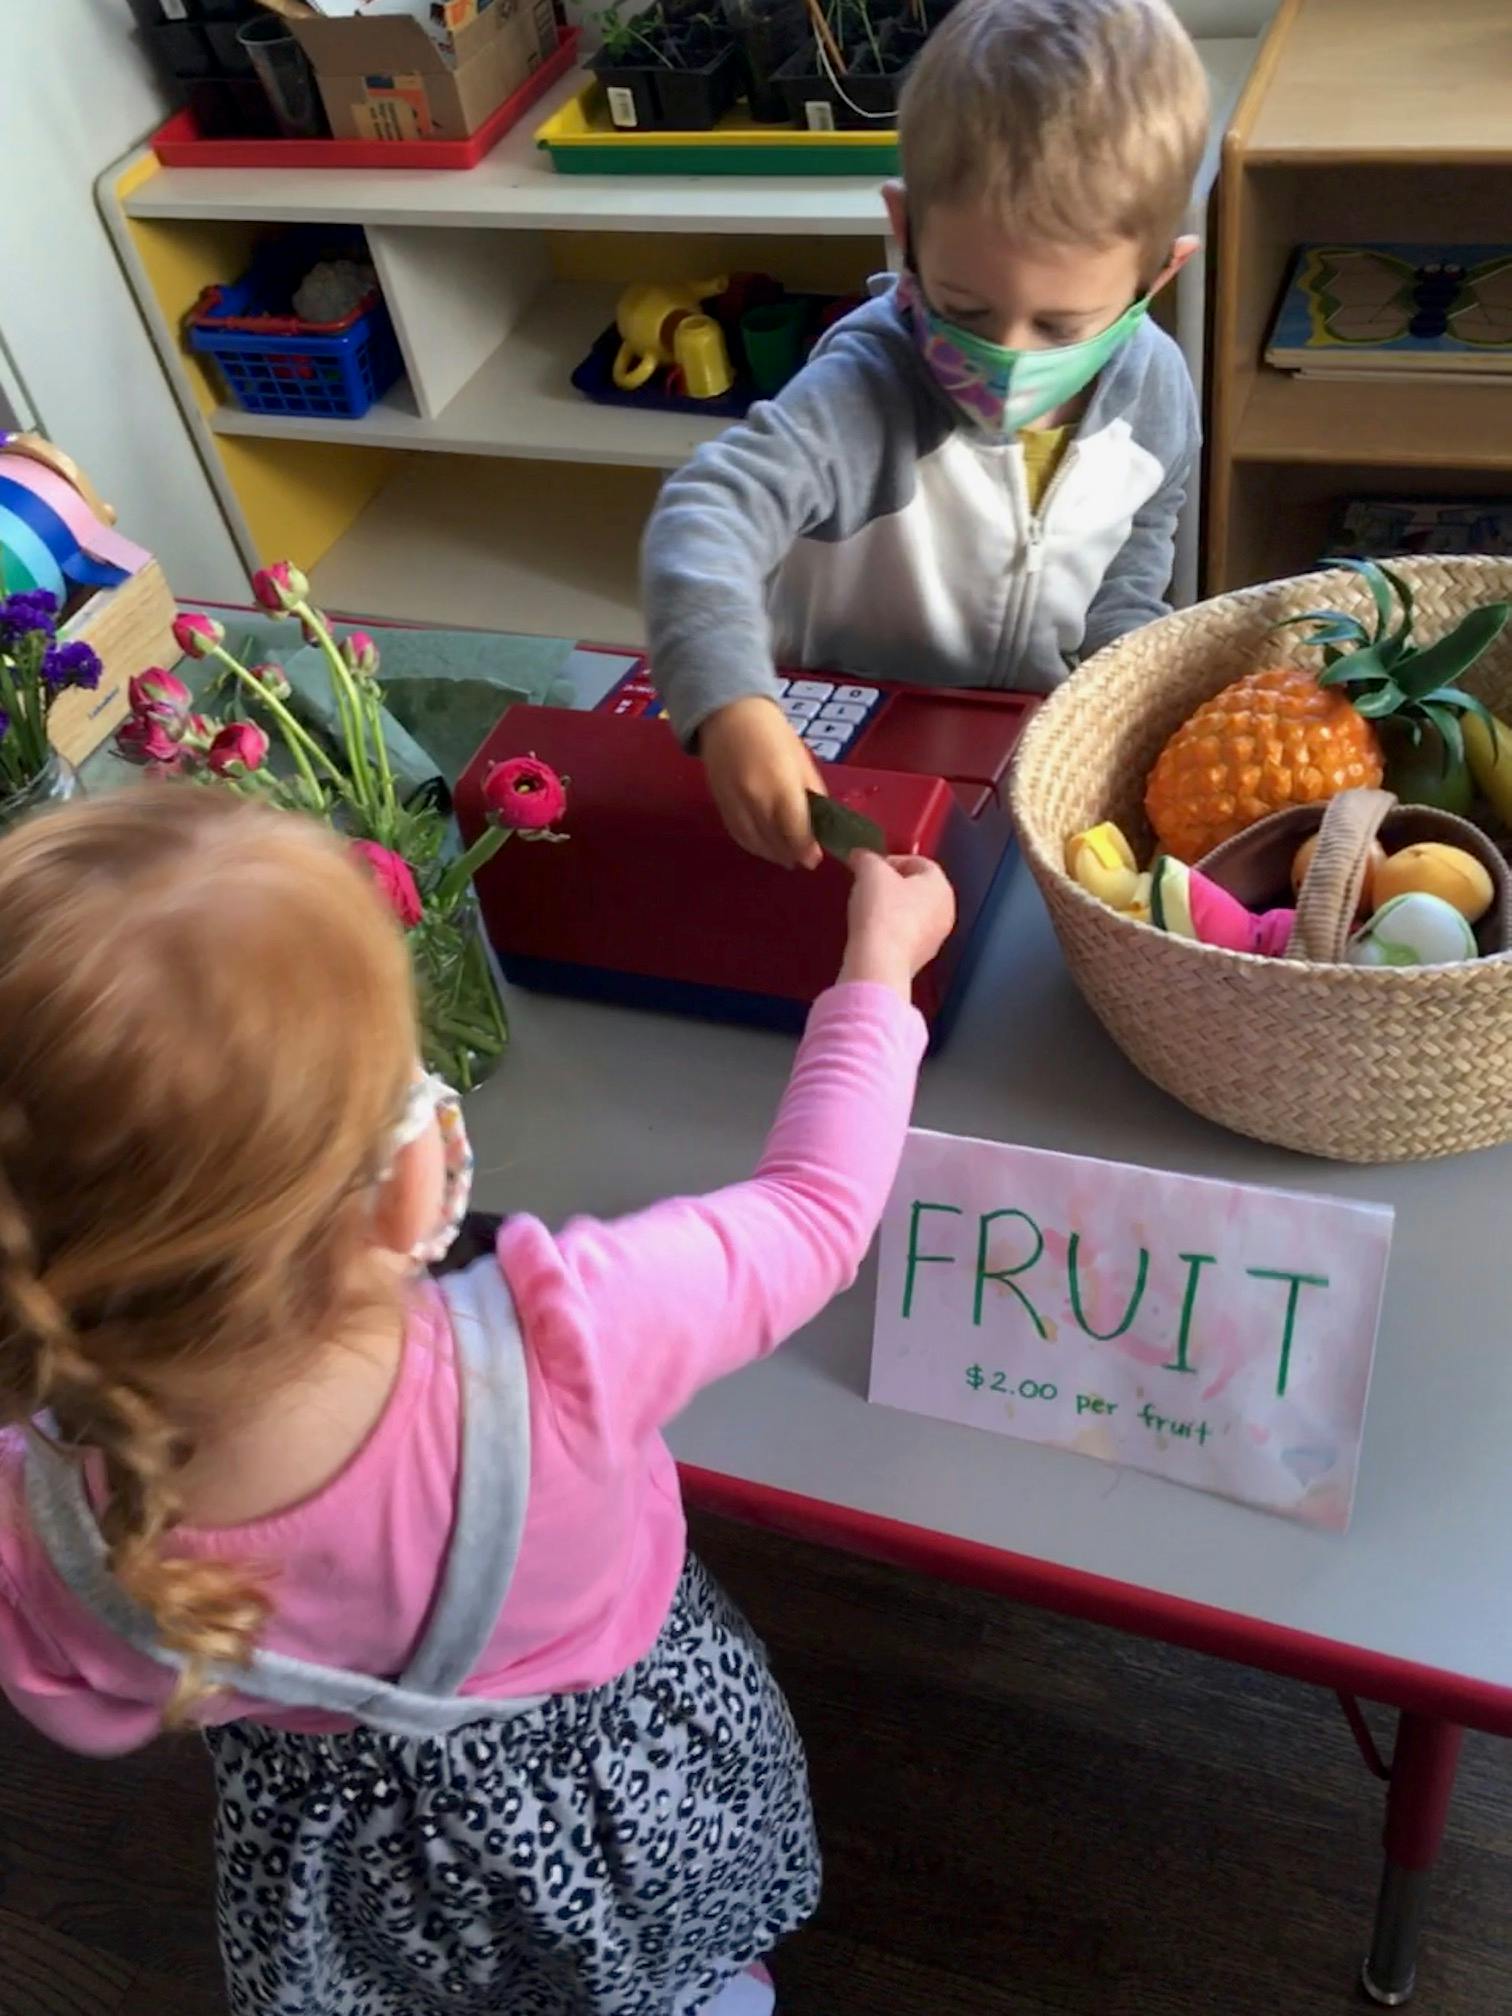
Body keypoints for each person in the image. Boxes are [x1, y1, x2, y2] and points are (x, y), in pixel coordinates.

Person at [0, 789, 953, 2016]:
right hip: (633, 1783)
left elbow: (89, 1714)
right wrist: (877, 967)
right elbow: (818, 1215)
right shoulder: (567, 1342)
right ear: (406, 1192)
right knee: (670, 1964)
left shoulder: (42, 1530)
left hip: (347, 1881)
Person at [642, 0, 1210, 870]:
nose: (1007, 361)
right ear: (904, 233)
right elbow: (709, 510)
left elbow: (1133, 573)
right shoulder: (868, 387)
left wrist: (1123, 713)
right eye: (966, 308)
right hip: (849, 734)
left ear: (1157, 274)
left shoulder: (1157, 389)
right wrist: (729, 701)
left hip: (1027, 748)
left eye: (1060, 327)